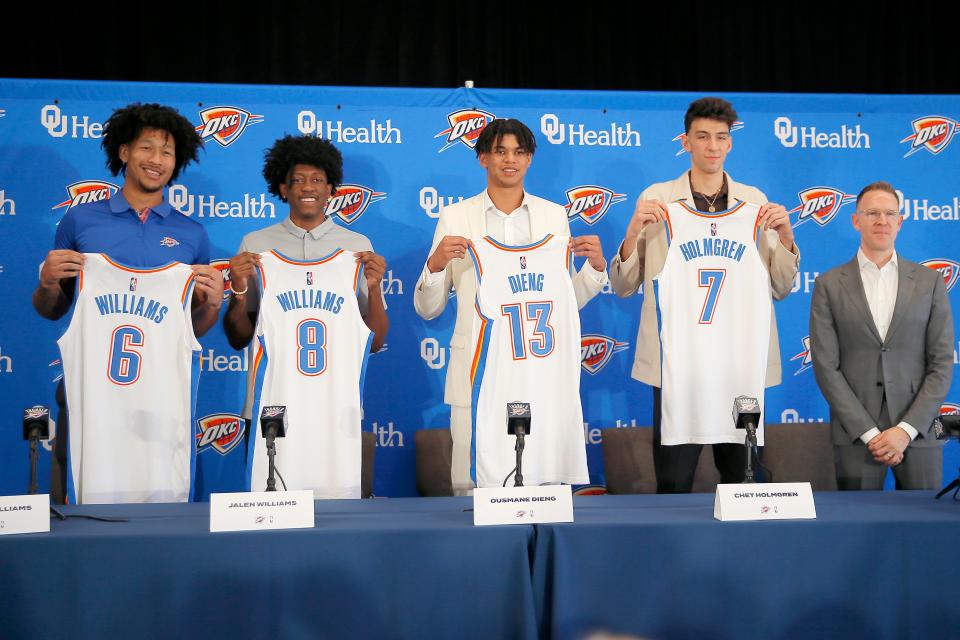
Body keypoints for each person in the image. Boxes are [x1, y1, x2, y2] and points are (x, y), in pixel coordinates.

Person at [32, 102, 223, 502]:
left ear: (177, 162)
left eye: (167, 152)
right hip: (89, 396)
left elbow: (188, 329)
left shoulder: (191, 233)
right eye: (146, 148)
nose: (157, 160)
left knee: (164, 512)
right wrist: (48, 283)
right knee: (84, 514)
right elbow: (53, 309)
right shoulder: (80, 222)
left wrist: (212, 305)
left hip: (161, 400)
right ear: (124, 152)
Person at [609, 97, 800, 493]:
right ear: (686, 142)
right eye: (702, 137)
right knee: (674, 480)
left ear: (730, 143)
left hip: (739, 361)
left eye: (720, 137)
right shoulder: (659, 199)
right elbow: (624, 286)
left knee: (744, 481)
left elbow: (781, 287)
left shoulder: (755, 203)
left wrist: (786, 239)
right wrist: (630, 236)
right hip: (678, 363)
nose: (712, 146)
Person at [413, 118, 607, 494]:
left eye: (518, 151)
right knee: (472, 490)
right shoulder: (456, 217)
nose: (509, 160)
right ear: (482, 157)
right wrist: (435, 266)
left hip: (541, 375)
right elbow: (428, 309)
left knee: (545, 489)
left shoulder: (554, 217)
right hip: (477, 375)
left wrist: (596, 270)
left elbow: (561, 304)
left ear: (530, 159)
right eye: (500, 151)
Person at [223, 135, 388, 497]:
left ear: (331, 188)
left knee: (338, 513)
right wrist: (237, 288)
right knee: (269, 514)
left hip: (334, 404)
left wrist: (374, 288)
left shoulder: (357, 248)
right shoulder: (256, 245)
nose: (308, 188)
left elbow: (375, 341)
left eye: (317, 180)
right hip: (272, 407)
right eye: (298, 180)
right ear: (283, 187)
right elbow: (238, 337)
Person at [810, 181, 953, 490]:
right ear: (855, 220)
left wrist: (905, 430)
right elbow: (825, 367)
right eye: (872, 212)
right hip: (857, 437)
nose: (881, 221)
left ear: (900, 222)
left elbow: (941, 363)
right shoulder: (829, 285)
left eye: (890, 213)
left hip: (920, 434)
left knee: (926, 533)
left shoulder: (930, 282)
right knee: (856, 530)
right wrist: (870, 433)